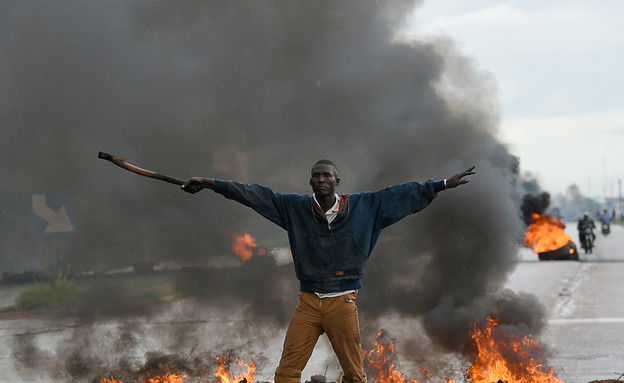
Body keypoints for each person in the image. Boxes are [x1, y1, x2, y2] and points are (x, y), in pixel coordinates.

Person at [181, 161, 476, 383]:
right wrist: (209, 183)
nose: (321, 179)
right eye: (316, 175)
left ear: (337, 181)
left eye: (327, 175)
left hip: (342, 302)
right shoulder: (293, 208)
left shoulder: (366, 207)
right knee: (286, 372)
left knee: (355, 375)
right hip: (308, 302)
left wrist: (442, 184)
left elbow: (404, 194)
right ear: (310, 181)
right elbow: (252, 194)